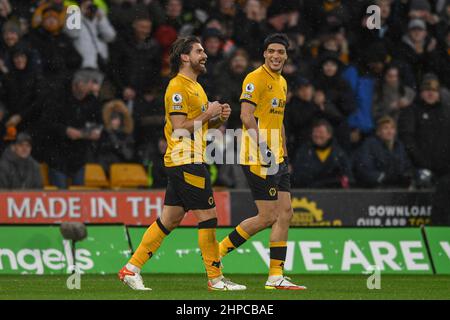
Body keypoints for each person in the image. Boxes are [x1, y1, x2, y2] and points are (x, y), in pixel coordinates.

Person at [118, 36, 245, 291]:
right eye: (199, 51)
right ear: (185, 57)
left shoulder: (197, 87)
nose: (205, 55)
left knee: (169, 219)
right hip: (185, 159)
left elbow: (202, 127)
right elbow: (179, 129)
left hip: (190, 158)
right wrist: (208, 113)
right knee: (208, 217)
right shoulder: (177, 87)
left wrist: (218, 119)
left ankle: (130, 269)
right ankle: (216, 279)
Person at [218, 33, 306, 290]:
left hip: (277, 156)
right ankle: (217, 252)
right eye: (272, 52)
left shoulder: (282, 83)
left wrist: (284, 153)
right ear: (264, 54)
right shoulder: (254, 78)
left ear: (286, 55)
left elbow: (277, 123)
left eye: (281, 52)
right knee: (267, 217)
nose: (276, 56)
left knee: (286, 213)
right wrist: (264, 148)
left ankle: (275, 276)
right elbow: (246, 117)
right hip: (257, 156)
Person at [40, 69, 102, 189]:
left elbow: (97, 128)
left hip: (79, 157)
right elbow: (47, 123)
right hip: (57, 155)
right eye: (87, 84)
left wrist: (80, 134)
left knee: (79, 195)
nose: (90, 89)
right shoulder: (58, 98)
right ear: (77, 84)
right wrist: (65, 130)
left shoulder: (92, 101)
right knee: (59, 196)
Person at [354, 116, 413, 188]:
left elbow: (406, 166)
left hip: (397, 188)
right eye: (385, 128)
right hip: (376, 189)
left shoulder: (399, 146)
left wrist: (406, 176)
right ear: (378, 132)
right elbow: (364, 170)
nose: (389, 131)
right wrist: (383, 177)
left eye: (392, 128)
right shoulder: (370, 145)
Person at [292, 119, 353, 188]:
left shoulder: (339, 154)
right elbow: (297, 176)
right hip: (309, 193)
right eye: (315, 132)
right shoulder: (303, 151)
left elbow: (348, 177)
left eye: (321, 132)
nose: (317, 135)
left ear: (329, 135)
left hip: (333, 194)